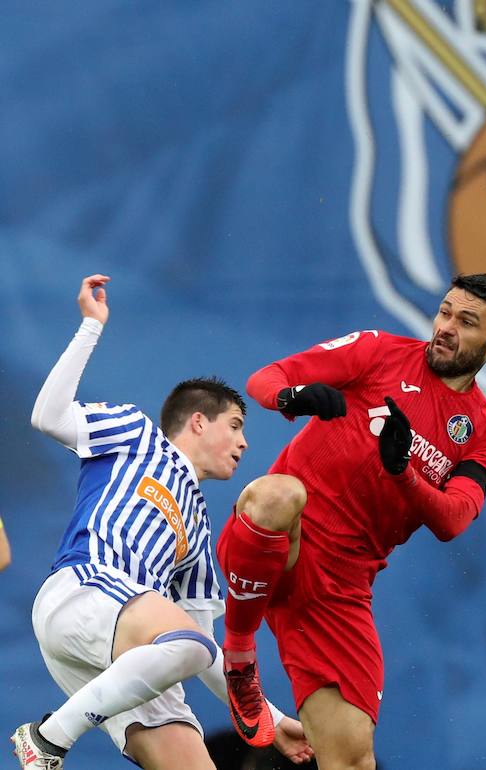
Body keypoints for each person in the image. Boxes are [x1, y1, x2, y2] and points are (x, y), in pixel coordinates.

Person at [215, 273, 486, 769]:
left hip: (340, 588)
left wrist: (404, 474)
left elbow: (454, 519)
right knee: (277, 493)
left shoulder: (485, 431)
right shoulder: (378, 350)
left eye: (467, 322)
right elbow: (265, 379)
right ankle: (239, 654)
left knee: (353, 762)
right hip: (278, 541)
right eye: (445, 312)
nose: (445, 327)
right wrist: (293, 398)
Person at [12, 275, 313, 770]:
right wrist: (90, 326)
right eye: (235, 426)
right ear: (198, 421)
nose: (243, 444)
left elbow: (202, 652)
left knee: (190, 661)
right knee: (186, 643)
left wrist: (272, 718)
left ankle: (52, 737)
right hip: (82, 594)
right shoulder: (137, 434)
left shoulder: (197, 528)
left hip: (127, 653)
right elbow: (48, 417)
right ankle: (48, 738)